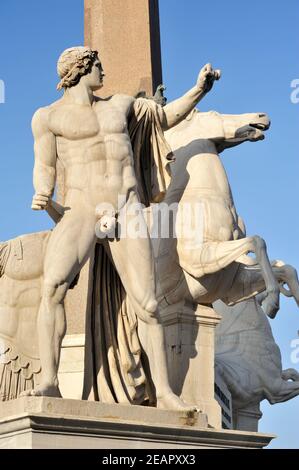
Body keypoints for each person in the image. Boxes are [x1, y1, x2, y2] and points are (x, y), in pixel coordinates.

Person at [27, 46, 220, 409]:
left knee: (147, 304)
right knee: (52, 287)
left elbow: (164, 118)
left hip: (125, 208)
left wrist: (200, 90)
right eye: (98, 64)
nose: (104, 70)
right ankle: (50, 382)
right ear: (80, 69)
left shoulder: (121, 104)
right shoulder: (47, 117)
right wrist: (42, 192)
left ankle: (163, 392)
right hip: (81, 208)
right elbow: (45, 166)